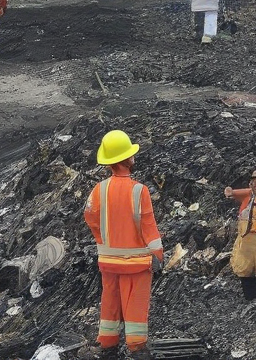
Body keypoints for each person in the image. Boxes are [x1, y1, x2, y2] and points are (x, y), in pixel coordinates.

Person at [83, 129, 163, 360]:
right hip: (137, 264)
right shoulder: (139, 190)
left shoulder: (100, 189)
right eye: (131, 154)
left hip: (108, 262)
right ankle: (137, 347)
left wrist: (103, 241)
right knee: (135, 307)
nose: (134, 157)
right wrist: (157, 254)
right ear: (126, 160)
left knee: (110, 303)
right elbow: (148, 226)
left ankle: (107, 345)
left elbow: (90, 217)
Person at [225, 167, 256, 302]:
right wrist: (229, 191)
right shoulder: (247, 194)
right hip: (246, 240)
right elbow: (231, 193)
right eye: (253, 180)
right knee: (244, 269)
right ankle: (251, 299)